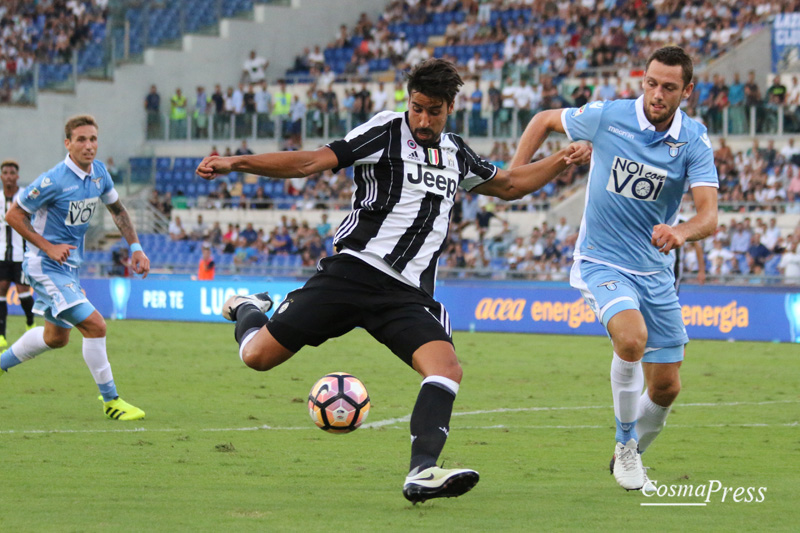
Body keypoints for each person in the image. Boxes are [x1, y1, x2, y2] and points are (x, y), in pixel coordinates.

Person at [196, 58, 590, 503]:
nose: (423, 120)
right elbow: (310, 162)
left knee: (446, 369)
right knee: (256, 357)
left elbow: (510, 185)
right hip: (353, 273)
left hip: (406, 295)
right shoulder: (385, 130)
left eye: (434, 111)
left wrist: (563, 158)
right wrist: (237, 162)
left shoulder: (456, 153)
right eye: (418, 107)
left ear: (451, 107)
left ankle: (422, 472)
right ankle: (248, 306)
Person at [509, 46, 718, 492]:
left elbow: (709, 216)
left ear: (687, 91)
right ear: (642, 80)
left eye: (668, 87)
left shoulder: (695, 141)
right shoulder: (608, 116)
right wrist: (514, 174)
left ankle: (632, 451)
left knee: (666, 388)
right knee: (631, 339)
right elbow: (544, 118)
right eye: (651, 82)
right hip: (601, 260)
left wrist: (682, 231)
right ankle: (625, 444)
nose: (656, 94)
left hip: (656, 271)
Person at [1, 115, 150, 420]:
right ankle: (111, 401)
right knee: (96, 326)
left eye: (93, 139)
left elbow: (118, 210)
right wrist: (48, 246)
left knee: (56, 338)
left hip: (69, 267)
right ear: (67, 143)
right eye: (81, 139)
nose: (89, 145)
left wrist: (135, 247)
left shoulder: (99, 174)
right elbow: (14, 215)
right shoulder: (53, 180)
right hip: (44, 265)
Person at [0, 159, 36, 348]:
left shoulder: (25, 198)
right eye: (5, 173)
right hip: (2, 255)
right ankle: (1, 336)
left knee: (23, 293)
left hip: (22, 256)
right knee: (1, 291)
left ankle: (30, 322)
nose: (8, 176)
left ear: (17, 176)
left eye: (12, 173)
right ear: (1, 176)